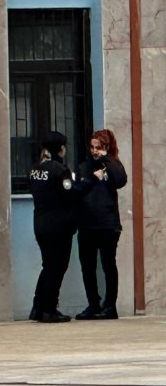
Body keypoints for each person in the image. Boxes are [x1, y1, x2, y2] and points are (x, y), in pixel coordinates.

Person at [73, 128, 128, 320]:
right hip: (87, 224)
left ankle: (110, 306)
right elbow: (77, 191)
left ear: (108, 147)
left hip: (107, 224)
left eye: (100, 147)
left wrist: (107, 159)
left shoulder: (114, 165)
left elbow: (121, 181)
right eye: (93, 147)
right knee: (87, 266)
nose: (95, 151)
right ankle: (93, 304)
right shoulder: (84, 167)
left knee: (108, 264)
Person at [27, 131, 77, 324]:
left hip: (40, 224)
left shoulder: (35, 169)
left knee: (48, 266)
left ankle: (38, 307)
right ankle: (49, 309)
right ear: (60, 148)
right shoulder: (60, 170)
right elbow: (69, 193)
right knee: (57, 268)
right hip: (59, 226)